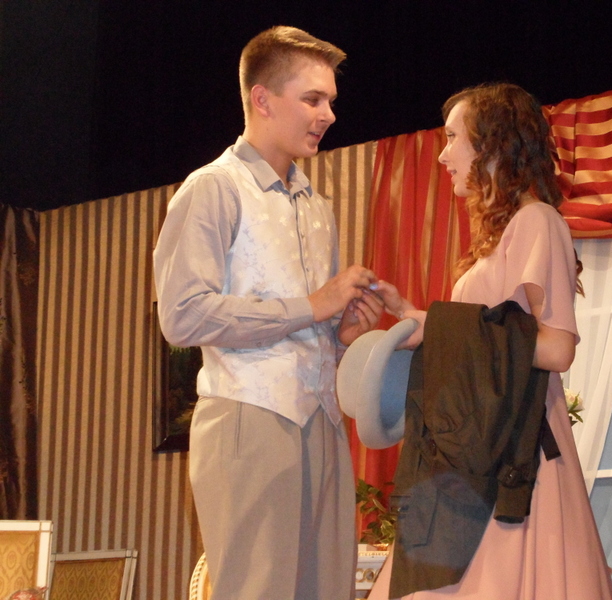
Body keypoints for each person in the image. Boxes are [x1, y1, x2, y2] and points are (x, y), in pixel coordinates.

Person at [153, 26, 384, 600]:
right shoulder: (213, 189)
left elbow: (310, 325)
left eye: (330, 100)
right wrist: (313, 305)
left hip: (322, 423)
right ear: (262, 99)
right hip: (249, 418)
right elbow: (182, 316)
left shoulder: (318, 208)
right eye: (313, 99)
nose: (328, 114)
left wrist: (341, 333)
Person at [370, 83, 612, 599]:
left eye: (452, 137)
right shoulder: (503, 234)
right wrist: (411, 316)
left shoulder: (536, 221)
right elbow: (481, 338)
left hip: (516, 451)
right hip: (479, 446)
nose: (443, 155)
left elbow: (556, 348)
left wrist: (437, 325)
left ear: (492, 145)